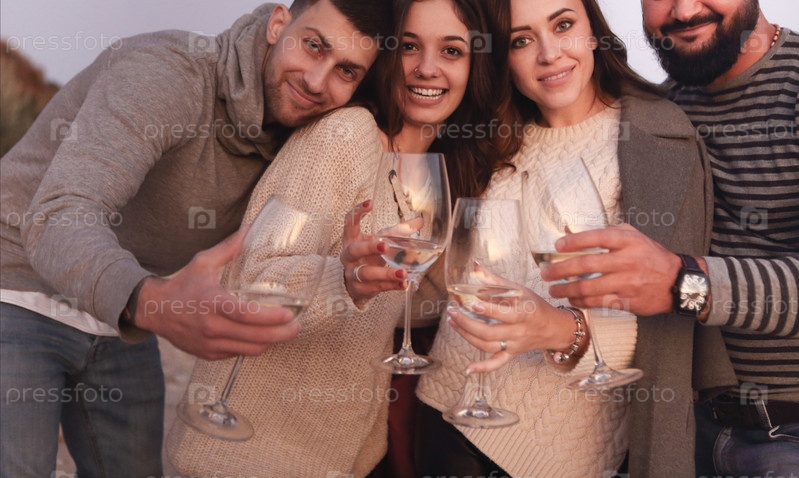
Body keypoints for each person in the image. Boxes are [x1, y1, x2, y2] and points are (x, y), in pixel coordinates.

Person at [0, 1, 392, 476]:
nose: (315, 80)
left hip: (119, 312)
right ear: (277, 24)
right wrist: (154, 303)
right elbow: (58, 214)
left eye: (346, 70)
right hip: (18, 286)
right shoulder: (169, 71)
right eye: (313, 45)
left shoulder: (308, 126)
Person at [165, 0, 514, 476]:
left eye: (451, 51)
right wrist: (344, 280)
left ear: (475, 68)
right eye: (409, 46)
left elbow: (400, 305)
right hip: (243, 456)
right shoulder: (346, 135)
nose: (427, 68)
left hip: (337, 459)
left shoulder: (432, 177)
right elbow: (253, 279)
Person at [408, 0, 733, 476]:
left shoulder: (656, 137)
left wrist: (559, 330)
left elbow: (667, 333)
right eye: (521, 40)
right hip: (446, 416)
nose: (549, 53)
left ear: (594, 30)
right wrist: (376, 274)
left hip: (556, 453)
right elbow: (442, 294)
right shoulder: (488, 138)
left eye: (563, 25)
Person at [545, 0, 799, 475]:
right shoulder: (658, 112)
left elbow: (670, 279)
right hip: (676, 429)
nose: (683, 11)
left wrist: (684, 282)